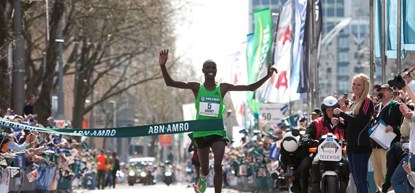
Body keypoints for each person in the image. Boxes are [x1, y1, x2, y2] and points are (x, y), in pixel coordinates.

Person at [159, 49, 277, 193]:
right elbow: (170, 83)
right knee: (204, 169)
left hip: (217, 132)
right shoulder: (196, 87)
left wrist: (268, 76)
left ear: (216, 70)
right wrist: (163, 66)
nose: (210, 70)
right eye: (208, 67)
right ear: (203, 70)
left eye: (213, 67)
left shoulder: (223, 88)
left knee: (217, 166)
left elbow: (250, 87)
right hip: (201, 133)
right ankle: (202, 178)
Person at [296, 96, 348, 193]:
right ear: (324, 111)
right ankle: (304, 190)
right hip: (319, 153)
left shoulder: (343, 122)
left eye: (333, 109)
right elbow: (309, 132)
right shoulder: (317, 122)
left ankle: (344, 187)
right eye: (328, 110)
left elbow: (349, 133)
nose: (330, 112)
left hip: (338, 153)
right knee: (305, 165)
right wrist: (307, 137)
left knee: (347, 164)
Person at [333, 73, 374, 193]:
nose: (355, 87)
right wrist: (338, 123)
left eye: (359, 85)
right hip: (351, 146)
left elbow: (360, 122)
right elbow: (349, 126)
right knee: (357, 181)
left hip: (361, 147)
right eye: (354, 84)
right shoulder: (354, 103)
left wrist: (341, 113)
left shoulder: (367, 102)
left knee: (361, 181)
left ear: (365, 86)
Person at [370, 84, 403, 193]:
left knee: (387, 174)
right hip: (375, 145)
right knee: (377, 176)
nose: (380, 93)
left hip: (388, 147)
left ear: (390, 93)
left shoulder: (396, 106)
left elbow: (404, 126)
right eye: (379, 91)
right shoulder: (376, 107)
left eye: (383, 90)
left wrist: (393, 128)